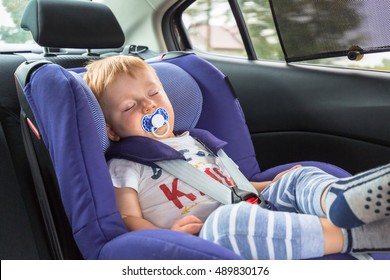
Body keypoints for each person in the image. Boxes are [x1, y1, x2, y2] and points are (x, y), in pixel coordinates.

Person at [84, 55, 390, 260]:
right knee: (229, 221)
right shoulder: (126, 165)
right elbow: (127, 217)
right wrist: (166, 236)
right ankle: (357, 234)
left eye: (154, 94)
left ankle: (341, 200)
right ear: (110, 130)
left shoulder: (195, 140)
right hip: (209, 235)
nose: (149, 107)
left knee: (298, 175)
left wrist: (270, 184)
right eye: (129, 106)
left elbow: (233, 185)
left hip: (254, 205)